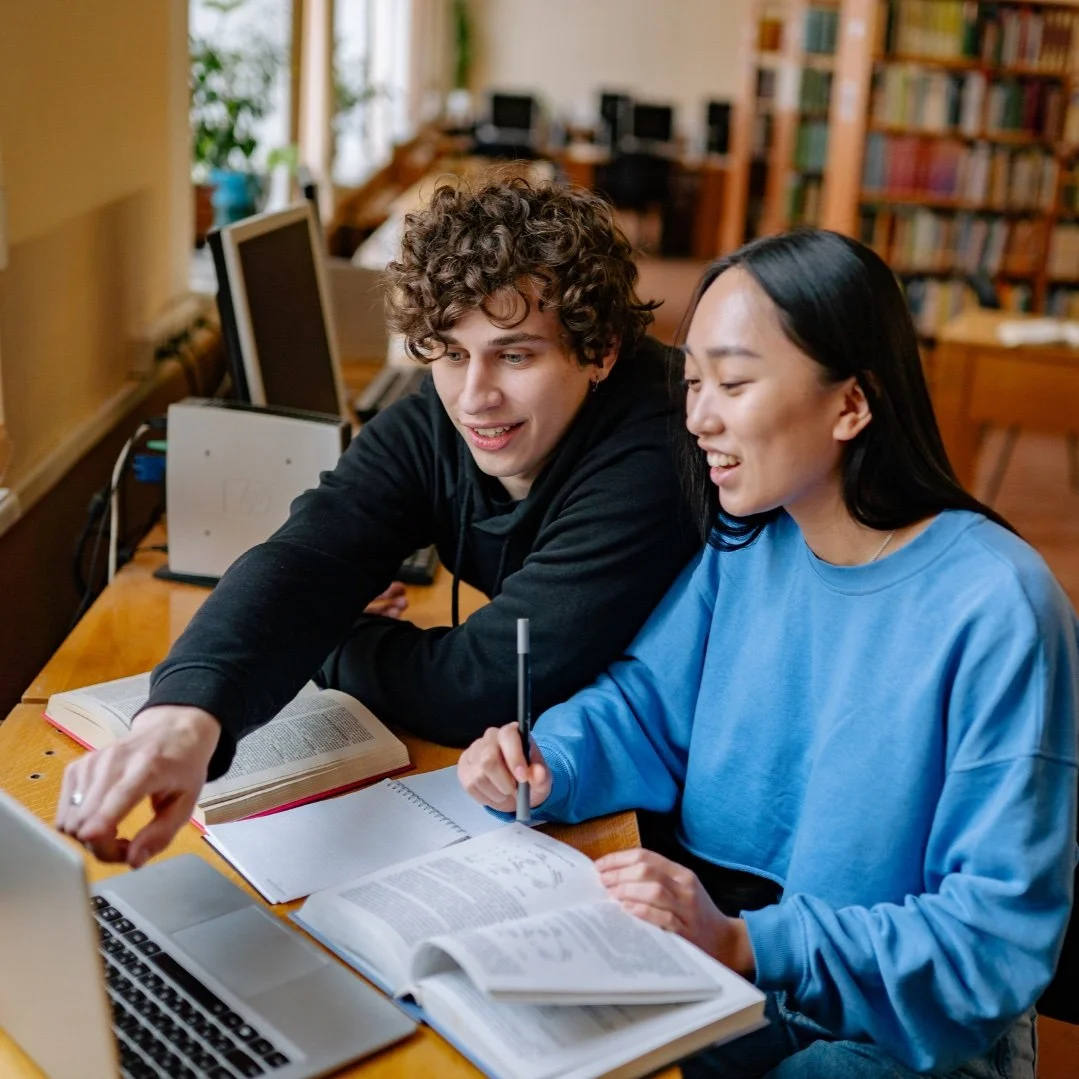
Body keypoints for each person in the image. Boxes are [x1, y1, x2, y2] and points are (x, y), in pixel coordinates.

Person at [458, 229, 1079, 1078]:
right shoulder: (746, 541)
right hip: (745, 974)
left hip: (904, 1035)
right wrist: (548, 761)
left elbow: (988, 940)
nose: (697, 416)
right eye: (691, 381)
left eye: (734, 382)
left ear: (851, 404)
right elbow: (646, 705)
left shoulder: (996, 604)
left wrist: (747, 941)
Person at [56, 176, 701, 867]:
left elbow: (481, 684)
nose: (474, 397)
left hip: (672, 826)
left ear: (599, 348)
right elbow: (310, 553)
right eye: (451, 352)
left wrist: (338, 634)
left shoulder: (659, 442)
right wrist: (182, 720)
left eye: (515, 354)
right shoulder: (442, 410)